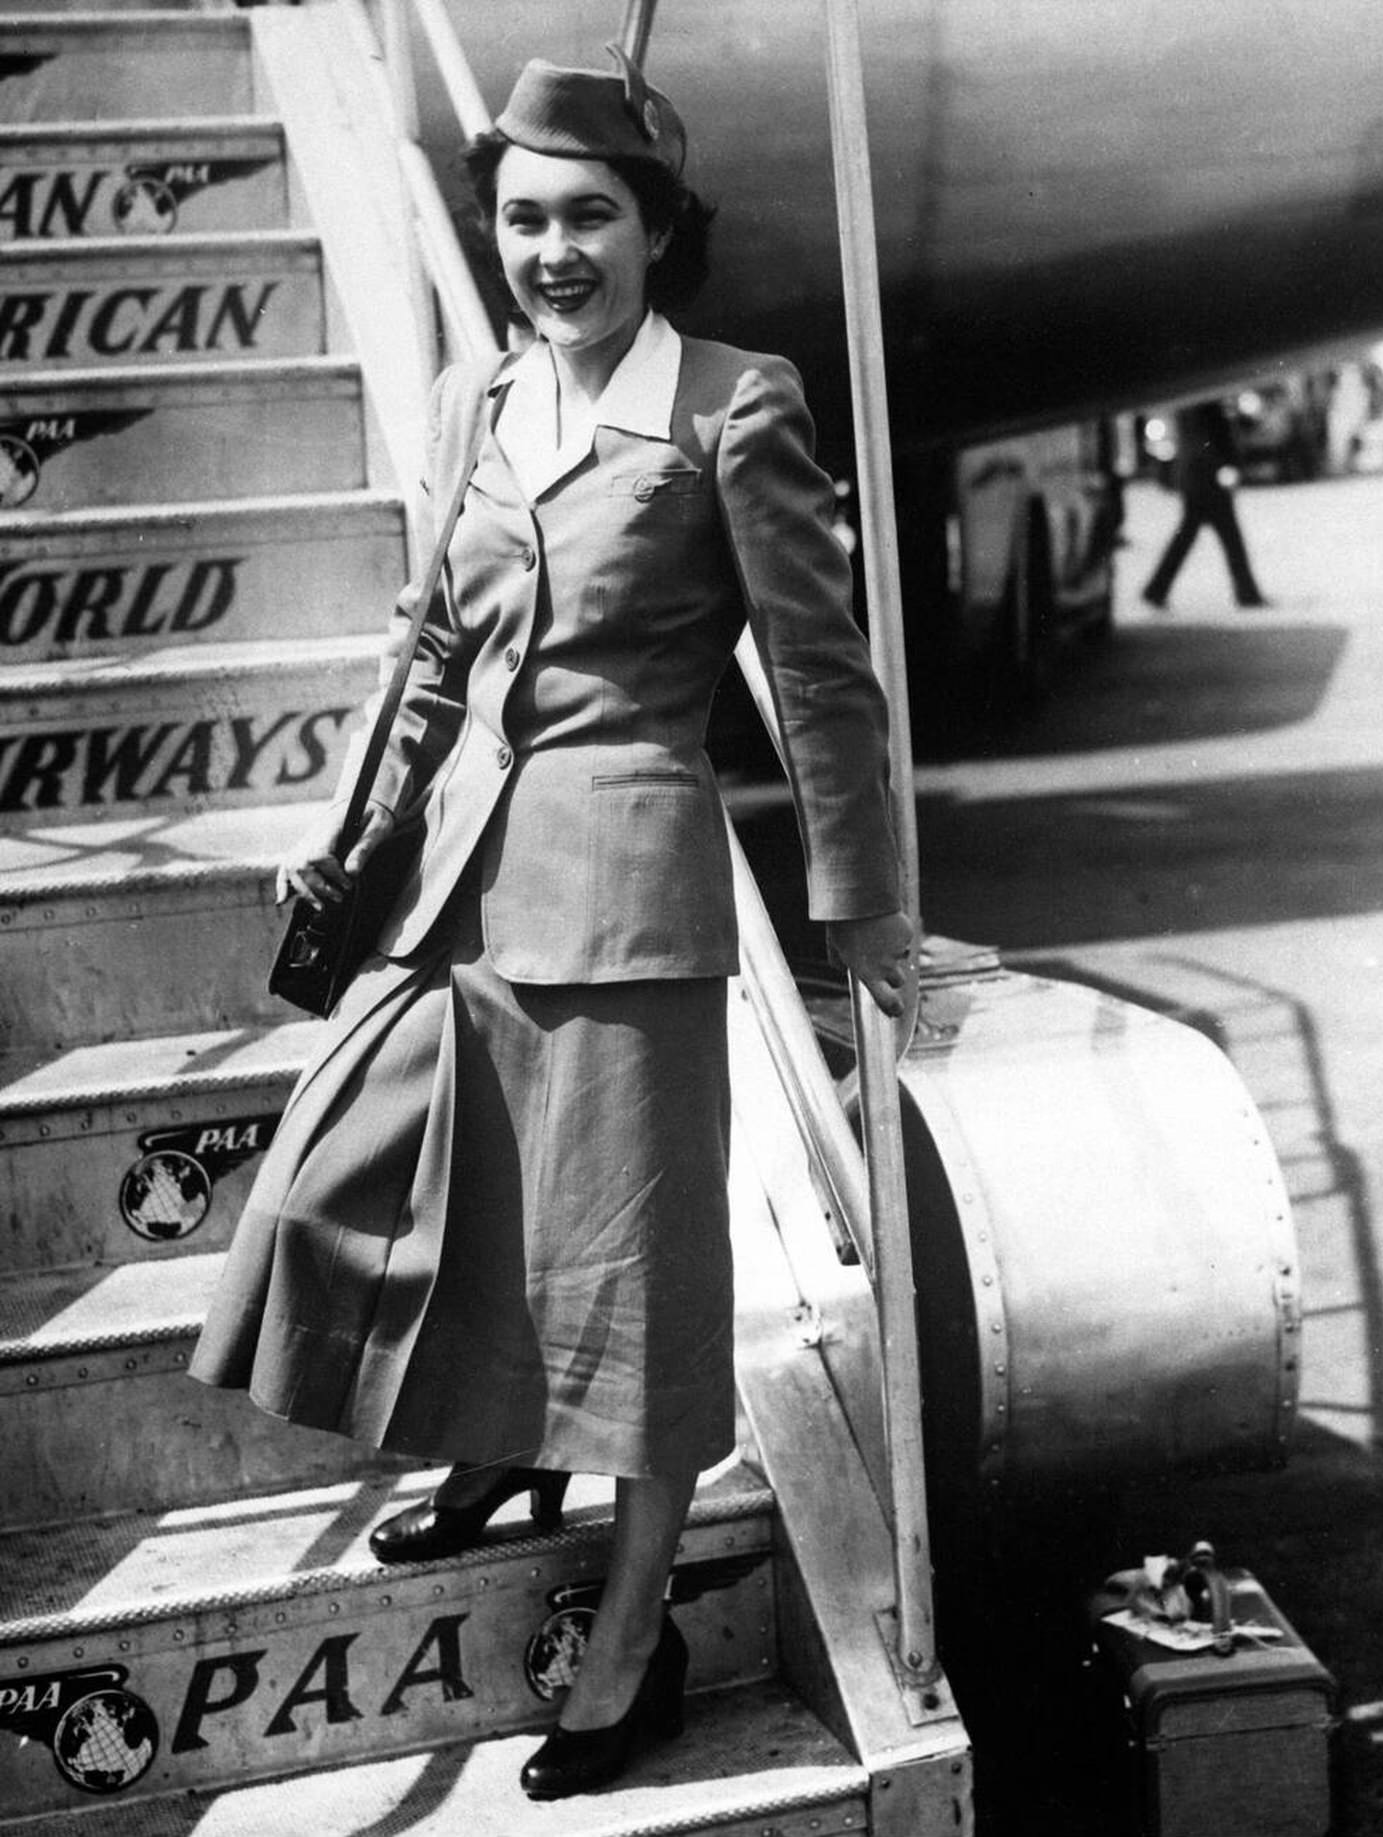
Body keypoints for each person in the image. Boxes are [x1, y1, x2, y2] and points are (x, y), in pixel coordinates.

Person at [189, 45, 913, 1802]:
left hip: (628, 905)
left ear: (661, 228)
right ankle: (504, 1449)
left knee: (637, 1294)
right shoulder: (472, 399)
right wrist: (355, 841)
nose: (552, 247)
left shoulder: (734, 405)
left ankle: (633, 1630)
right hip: (459, 892)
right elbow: (429, 650)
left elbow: (818, 678)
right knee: (336, 1188)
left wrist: (863, 910)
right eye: (521, 215)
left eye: (592, 213)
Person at [1141, 399, 1268, 609]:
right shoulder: (1205, 400)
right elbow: (1212, 437)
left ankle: (1157, 588)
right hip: (1206, 478)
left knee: (1191, 537)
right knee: (1228, 537)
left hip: (1197, 476)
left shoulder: (1195, 398)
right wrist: (1225, 464)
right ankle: (1247, 593)